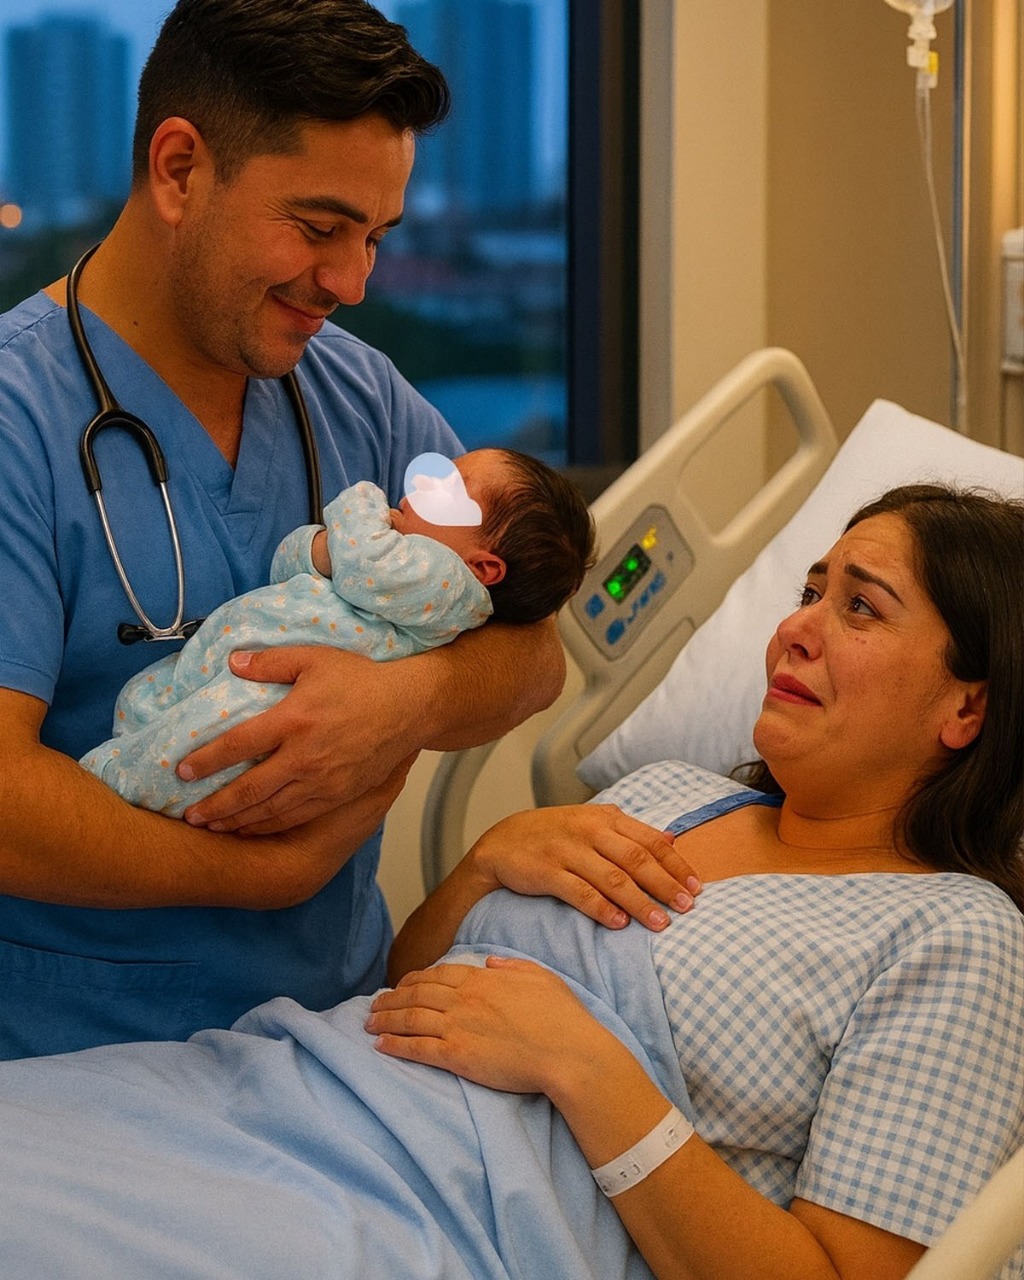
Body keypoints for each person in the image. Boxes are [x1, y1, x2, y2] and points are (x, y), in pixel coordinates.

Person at [0, 0, 566, 1060]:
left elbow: (534, 652)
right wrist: (260, 873)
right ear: (179, 170)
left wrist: (402, 701)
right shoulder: (16, 420)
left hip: (342, 1036)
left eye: (376, 238)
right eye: (317, 228)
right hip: (74, 1057)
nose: (352, 284)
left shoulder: (359, 396)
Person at [369, 485, 1024, 1280]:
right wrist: (486, 861)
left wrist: (584, 1065)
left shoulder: (958, 937)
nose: (794, 632)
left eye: (861, 608)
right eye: (810, 594)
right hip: (319, 1106)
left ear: (966, 707)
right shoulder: (665, 793)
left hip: (427, 1226)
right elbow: (406, 990)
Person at [81, 447, 595, 817]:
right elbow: (293, 563)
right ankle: (127, 755)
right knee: (149, 703)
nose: (425, 484)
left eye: (452, 491)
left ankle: (118, 782)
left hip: (272, 697)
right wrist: (322, 550)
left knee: (196, 747)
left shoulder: (446, 582)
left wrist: (364, 502)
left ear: (484, 569)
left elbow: (364, 559)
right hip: (229, 659)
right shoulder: (395, 558)